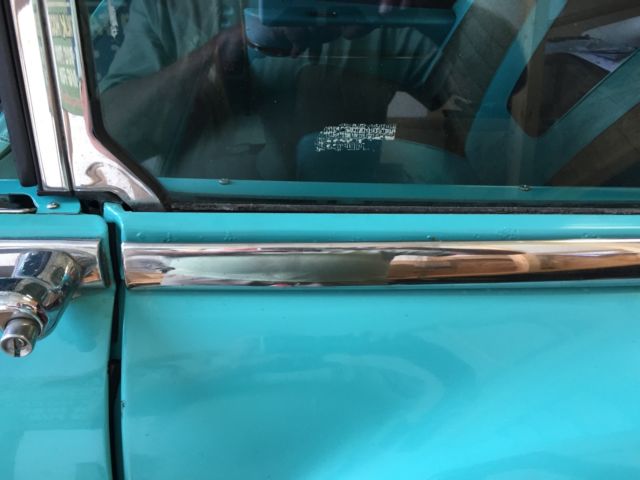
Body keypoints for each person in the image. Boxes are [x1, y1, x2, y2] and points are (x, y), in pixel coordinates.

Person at [99, 0, 455, 179]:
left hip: (349, 234)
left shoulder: (364, 14)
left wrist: (429, 8)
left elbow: (469, 104)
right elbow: (114, 136)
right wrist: (221, 52)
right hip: (187, 237)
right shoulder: (170, 6)